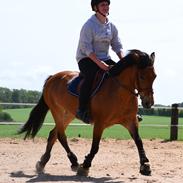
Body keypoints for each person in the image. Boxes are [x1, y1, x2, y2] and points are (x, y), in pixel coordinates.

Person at [76, 0, 142, 123]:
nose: (106, 7)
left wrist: (123, 62)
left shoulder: (111, 26)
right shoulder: (89, 25)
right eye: (103, 5)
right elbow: (86, 49)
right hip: (86, 58)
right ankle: (82, 109)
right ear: (95, 8)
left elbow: (117, 45)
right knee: (91, 76)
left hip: (105, 58)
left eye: (107, 4)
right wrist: (100, 64)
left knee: (124, 75)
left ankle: (129, 110)